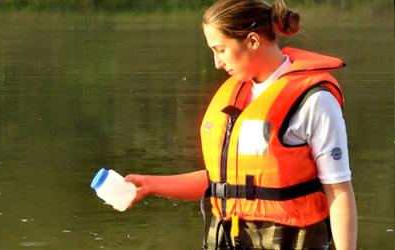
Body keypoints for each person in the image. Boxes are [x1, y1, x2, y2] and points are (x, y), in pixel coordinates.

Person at [122, 0, 357, 249]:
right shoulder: (236, 94)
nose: (217, 62)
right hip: (229, 237)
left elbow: (338, 190)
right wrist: (149, 184)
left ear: (253, 41)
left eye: (221, 49)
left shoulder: (314, 102)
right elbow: (222, 183)